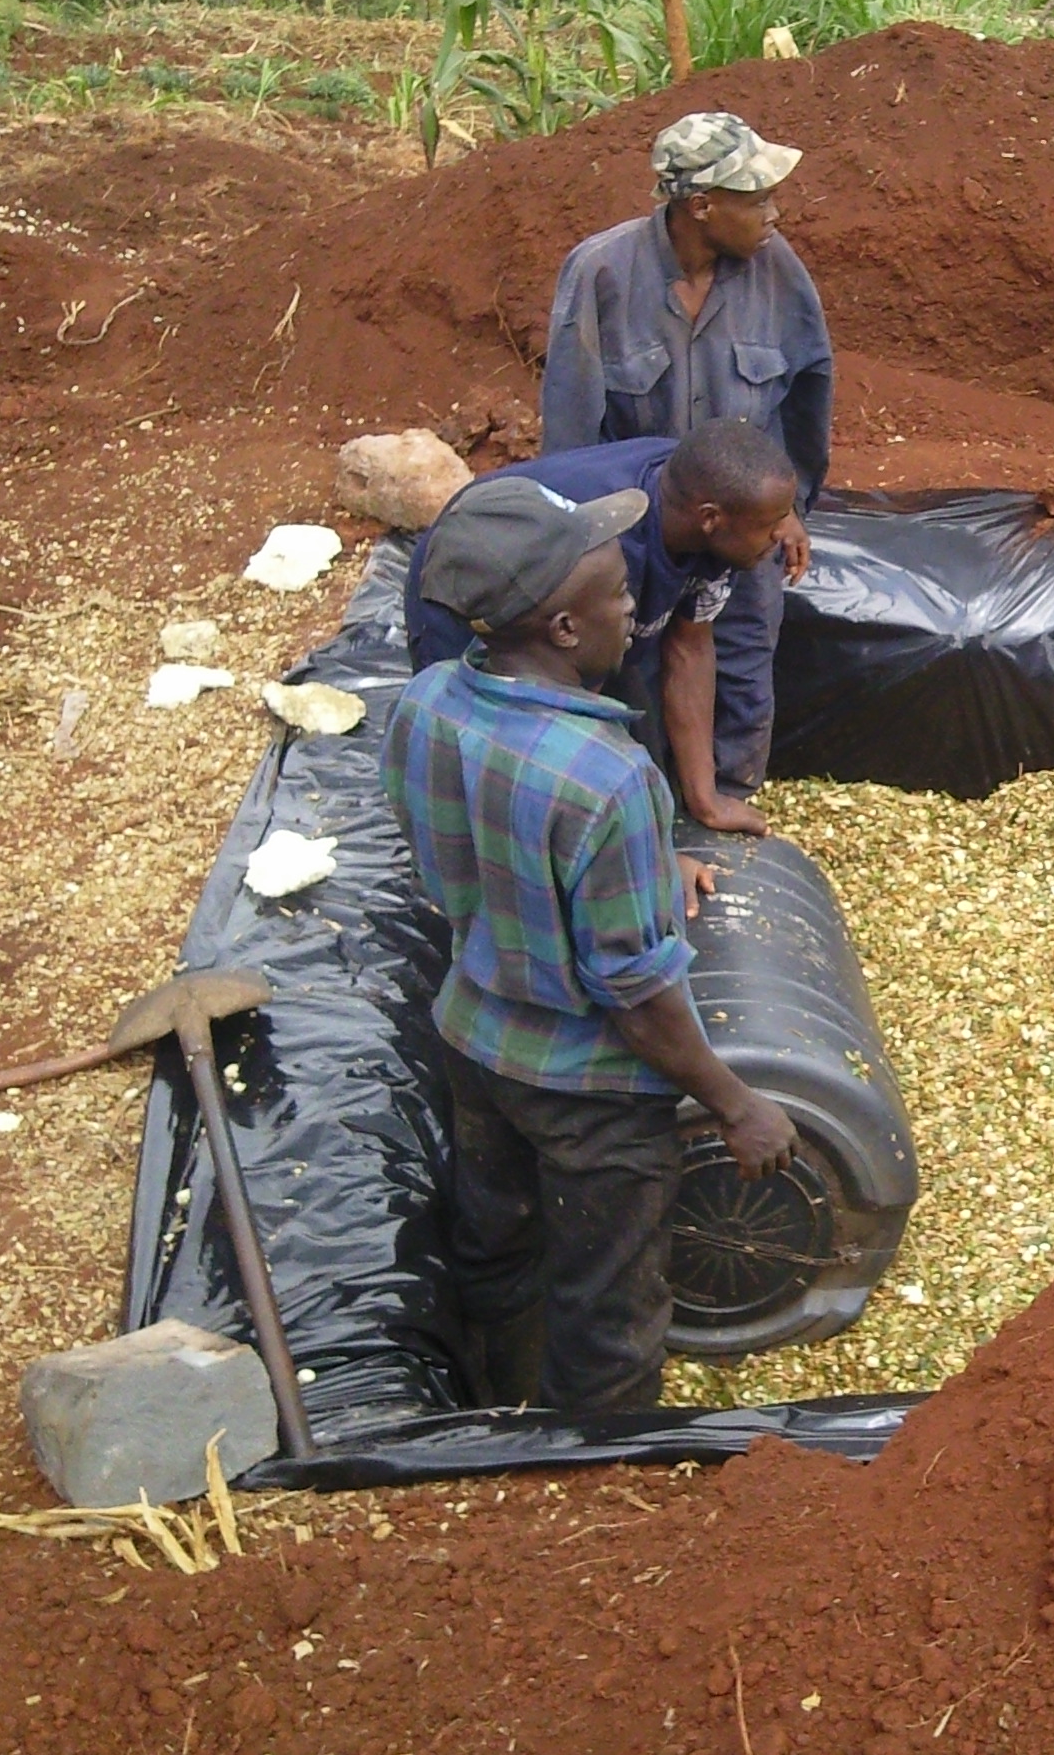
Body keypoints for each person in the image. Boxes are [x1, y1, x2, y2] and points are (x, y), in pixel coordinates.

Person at [382, 476, 800, 1413]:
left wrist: (643, 872)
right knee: (608, 1309)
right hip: (588, 1088)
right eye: (615, 596)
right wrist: (737, 1105)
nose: (629, 612)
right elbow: (640, 1000)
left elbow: (458, 853)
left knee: (499, 1253)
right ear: (564, 631)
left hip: (473, 1041)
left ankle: (500, 1416)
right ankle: (596, 1475)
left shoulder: (426, 701)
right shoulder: (609, 781)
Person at [542, 111, 834, 836]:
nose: (774, 212)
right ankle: (641, 822)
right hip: (642, 532)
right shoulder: (603, 273)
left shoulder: (777, 270)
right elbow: (573, 425)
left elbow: (807, 388)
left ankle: (728, 802)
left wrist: (787, 506)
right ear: (700, 205)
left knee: (737, 661)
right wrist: (579, 546)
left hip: (740, 526)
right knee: (631, 671)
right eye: (757, 197)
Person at [405, 420, 797, 836]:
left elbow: (689, 647)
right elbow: (573, 708)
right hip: (471, 589)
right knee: (500, 757)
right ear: (710, 519)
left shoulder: (717, 509)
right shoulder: (608, 556)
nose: (782, 533)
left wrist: (706, 801)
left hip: (572, 615)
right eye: (771, 521)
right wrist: (651, 855)